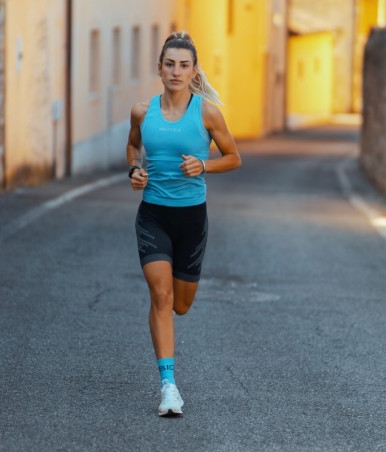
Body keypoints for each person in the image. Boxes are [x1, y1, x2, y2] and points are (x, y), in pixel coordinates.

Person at [126, 31, 241, 416]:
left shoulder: (206, 112)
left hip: (192, 218)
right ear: (159, 68)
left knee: (182, 305)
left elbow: (234, 157)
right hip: (153, 214)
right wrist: (134, 170)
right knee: (161, 296)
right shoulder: (143, 111)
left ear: (194, 71)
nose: (176, 71)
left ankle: (169, 378)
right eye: (170, 64)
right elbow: (132, 147)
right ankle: (168, 386)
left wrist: (204, 165)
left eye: (184, 65)